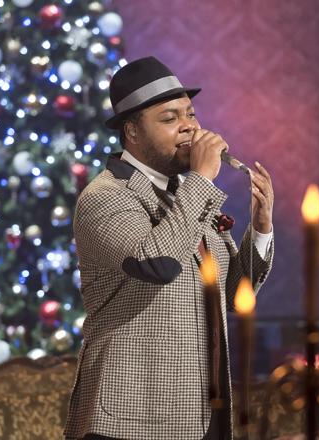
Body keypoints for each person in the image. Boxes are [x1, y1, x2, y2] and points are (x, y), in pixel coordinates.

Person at [63, 56, 274, 440]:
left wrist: (261, 228)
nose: (190, 127)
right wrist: (201, 179)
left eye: (190, 114)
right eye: (169, 118)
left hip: (204, 412)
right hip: (130, 421)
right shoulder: (105, 196)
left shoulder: (189, 196)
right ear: (132, 131)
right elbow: (157, 263)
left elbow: (234, 296)